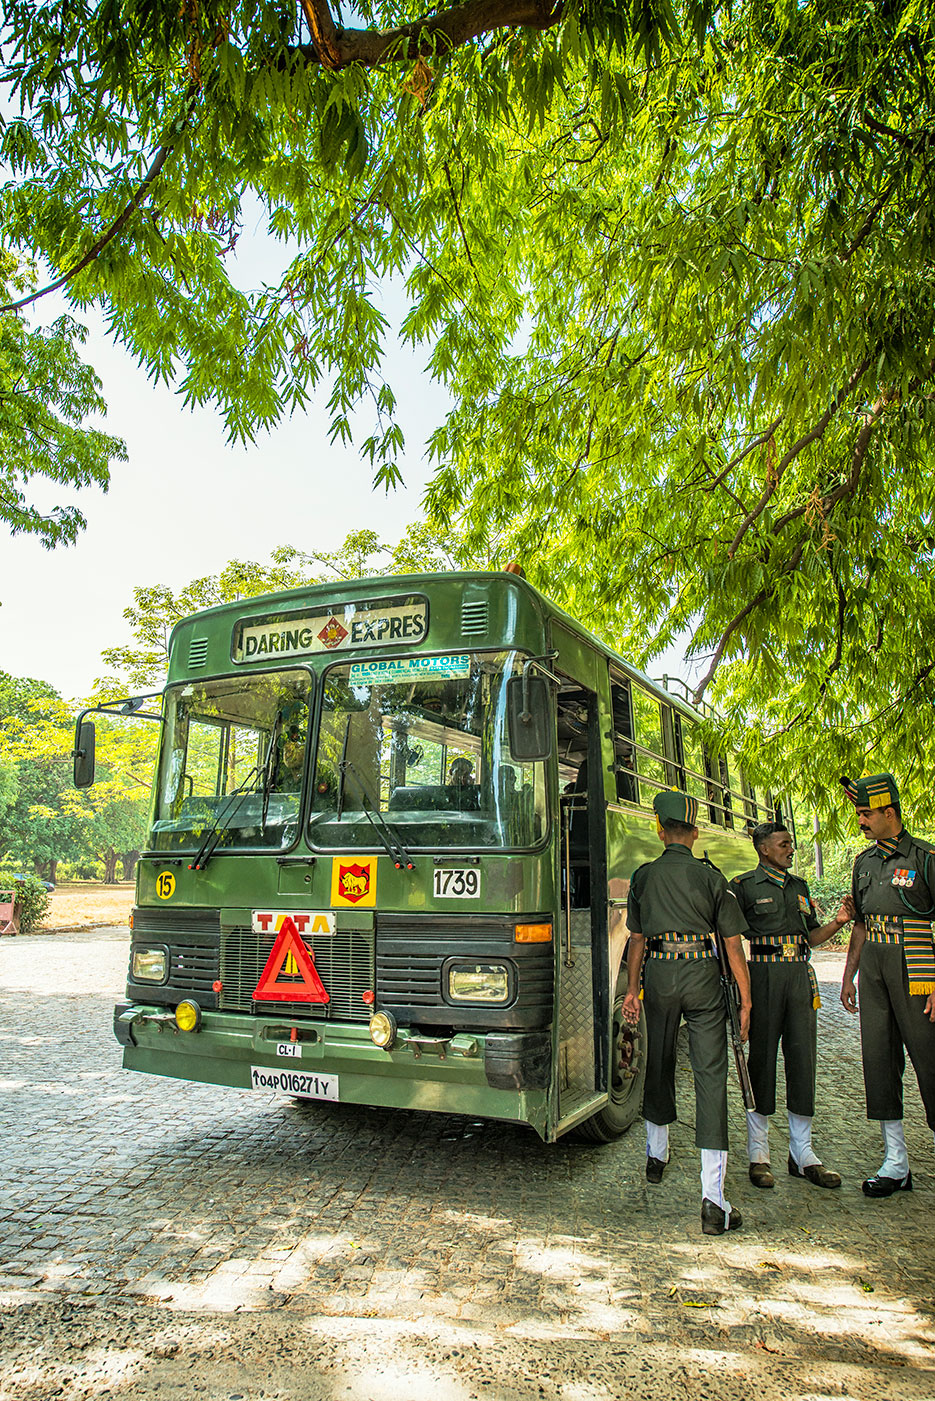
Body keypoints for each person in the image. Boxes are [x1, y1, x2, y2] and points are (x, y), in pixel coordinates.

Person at [623, 789, 752, 1236]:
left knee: (657, 1061)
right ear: (694, 834)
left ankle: (656, 1157)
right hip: (702, 975)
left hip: (658, 974)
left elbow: (636, 940)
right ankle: (713, 1201)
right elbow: (732, 944)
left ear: (659, 831)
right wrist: (745, 996)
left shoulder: (642, 878)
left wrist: (632, 991)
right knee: (711, 1075)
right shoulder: (712, 878)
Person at [731, 823, 854, 1190]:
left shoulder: (799, 887)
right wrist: (742, 994)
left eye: (791, 844)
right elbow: (731, 939)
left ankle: (803, 1154)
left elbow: (810, 937)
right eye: (784, 845)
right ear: (764, 849)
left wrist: (837, 923)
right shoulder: (744, 887)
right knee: (762, 1061)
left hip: (800, 977)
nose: (791, 850)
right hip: (764, 977)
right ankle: (759, 1155)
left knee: (803, 1061)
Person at [840, 773, 935, 1196]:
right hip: (875, 963)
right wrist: (849, 975)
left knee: (930, 1057)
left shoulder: (926, 857)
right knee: (878, 1060)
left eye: (866, 814)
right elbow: (860, 923)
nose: (861, 821)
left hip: (917, 964)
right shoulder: (863, 862)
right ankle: (896, 1164)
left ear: (889, 812)